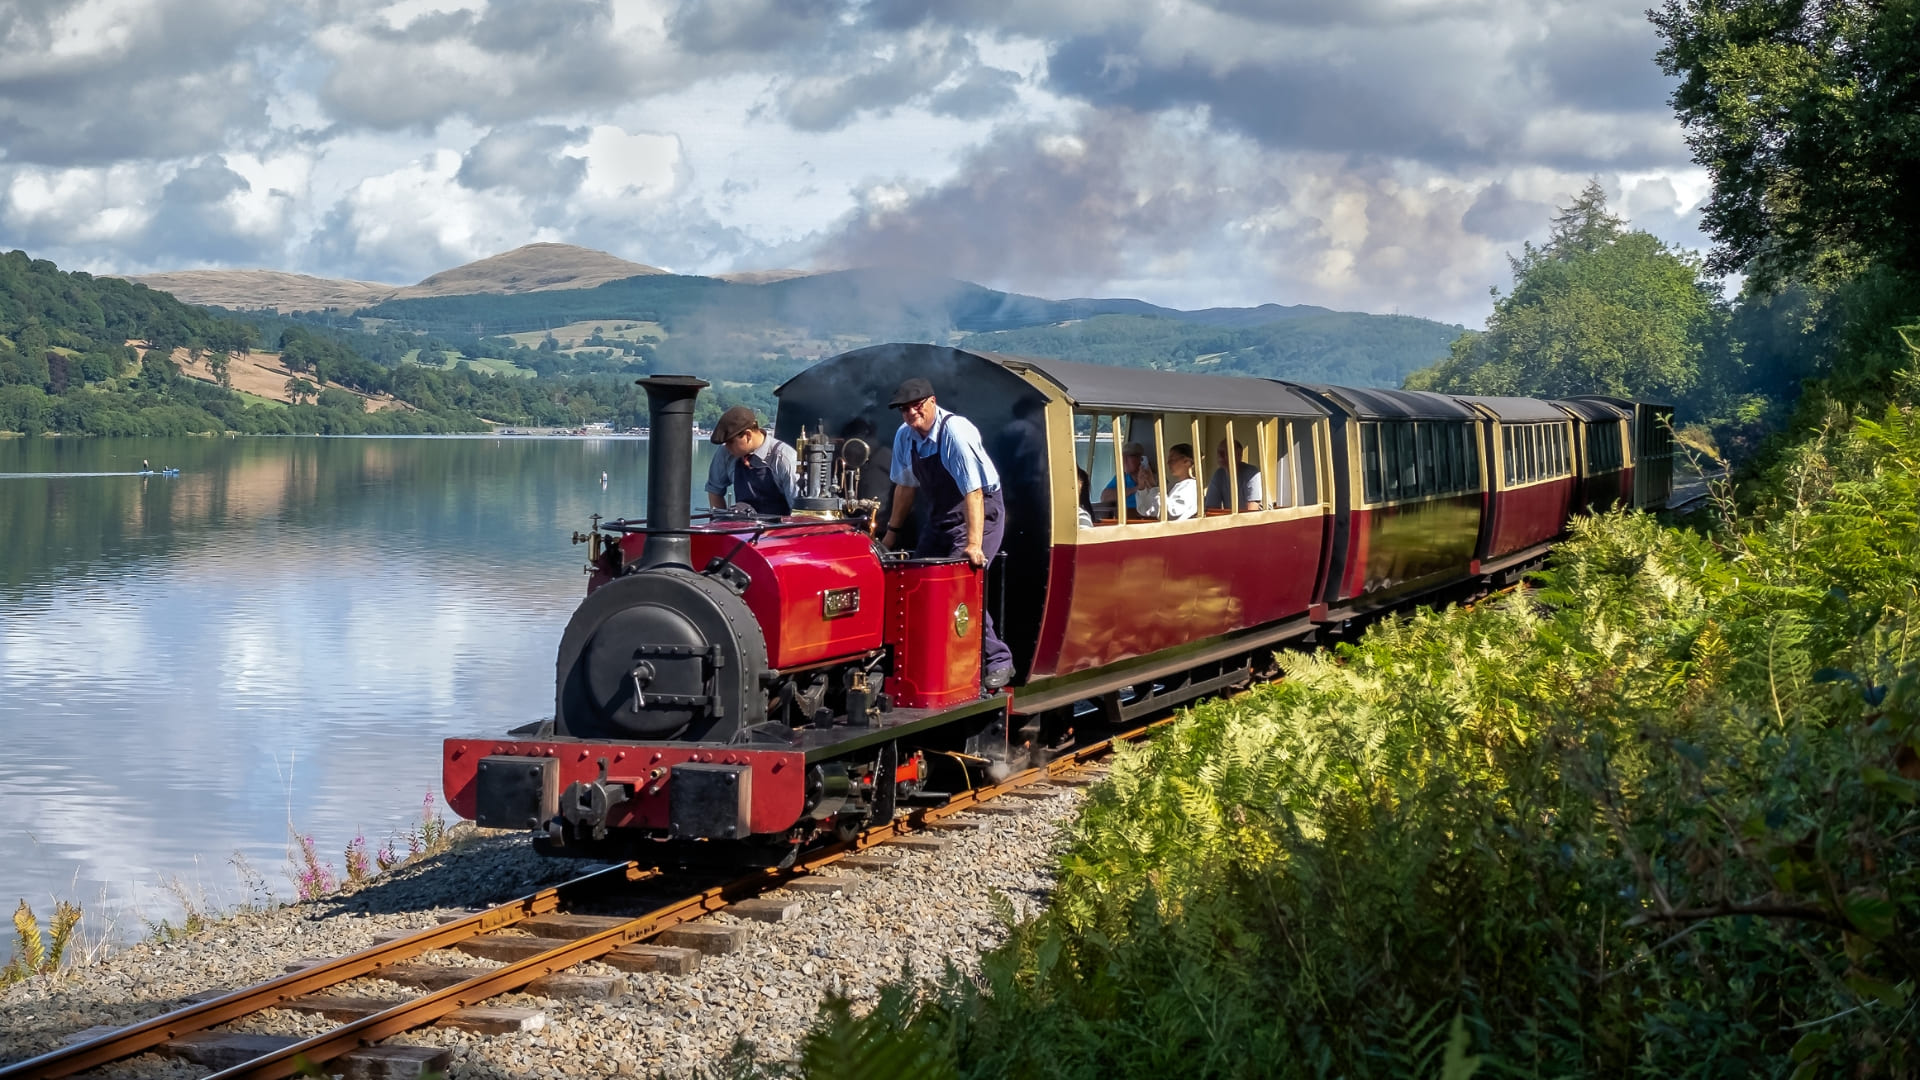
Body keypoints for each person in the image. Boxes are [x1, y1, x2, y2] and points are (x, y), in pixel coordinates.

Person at [879, 378, 1016, 691]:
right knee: (915, 578)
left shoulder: (955, 431)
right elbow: (905, 486)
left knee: (961, 585)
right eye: (904, 409)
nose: (911, 413)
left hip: (981, 513)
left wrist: (974, 544)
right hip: (941, 516)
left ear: (931, 402)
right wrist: (891, 535)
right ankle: (921, 660)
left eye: (916, 406)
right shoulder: (905, 436)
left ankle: (998, 660)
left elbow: (974, 491)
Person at [705, 405, 799, 515]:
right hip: (743, 528)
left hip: (779, 529)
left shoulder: (784, 458)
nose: (727, 447)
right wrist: (720, 523)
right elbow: (714, 490)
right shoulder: (726, 452)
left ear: (748, 435)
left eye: (730, 442)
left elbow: (797, 509)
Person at [1134, 443, 1199, 521]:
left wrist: (1153, 486)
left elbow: (1170, 514)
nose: (1168, 463)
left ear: (1187, 461)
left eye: (1172, 459)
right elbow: (1147, 511)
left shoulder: (1191, 487)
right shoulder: (1174, 486)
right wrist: (1142, 487)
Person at [1205, 440, 1263, 511]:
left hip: (1264, 519)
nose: (1220, 456)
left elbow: (1252, 510)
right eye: (1219, 452)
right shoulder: (1219, 474)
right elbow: (1211, 509)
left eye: (1224, 452)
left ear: (1238, 454)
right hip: (1234, 519)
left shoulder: (1251, 473)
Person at [1095, 442, 1145, 515]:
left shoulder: (1152, 478)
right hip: (1124, 518)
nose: (1124, 460)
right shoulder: (1122, 477)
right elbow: (1104, 497)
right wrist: (1136, 488)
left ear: (1141, 459)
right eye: (1123, 457)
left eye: (1129, 456)